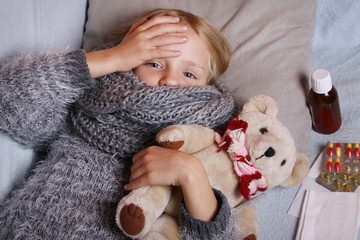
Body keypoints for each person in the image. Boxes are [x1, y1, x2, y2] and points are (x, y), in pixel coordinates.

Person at [0, 8, 237, 239]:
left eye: (189, 74)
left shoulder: (212, 146)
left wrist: (191, 174)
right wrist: (113, 58)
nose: (170, 81)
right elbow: (7, 98)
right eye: (154, 64)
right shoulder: (84, 112)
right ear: (130, 65)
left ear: (208, 86)